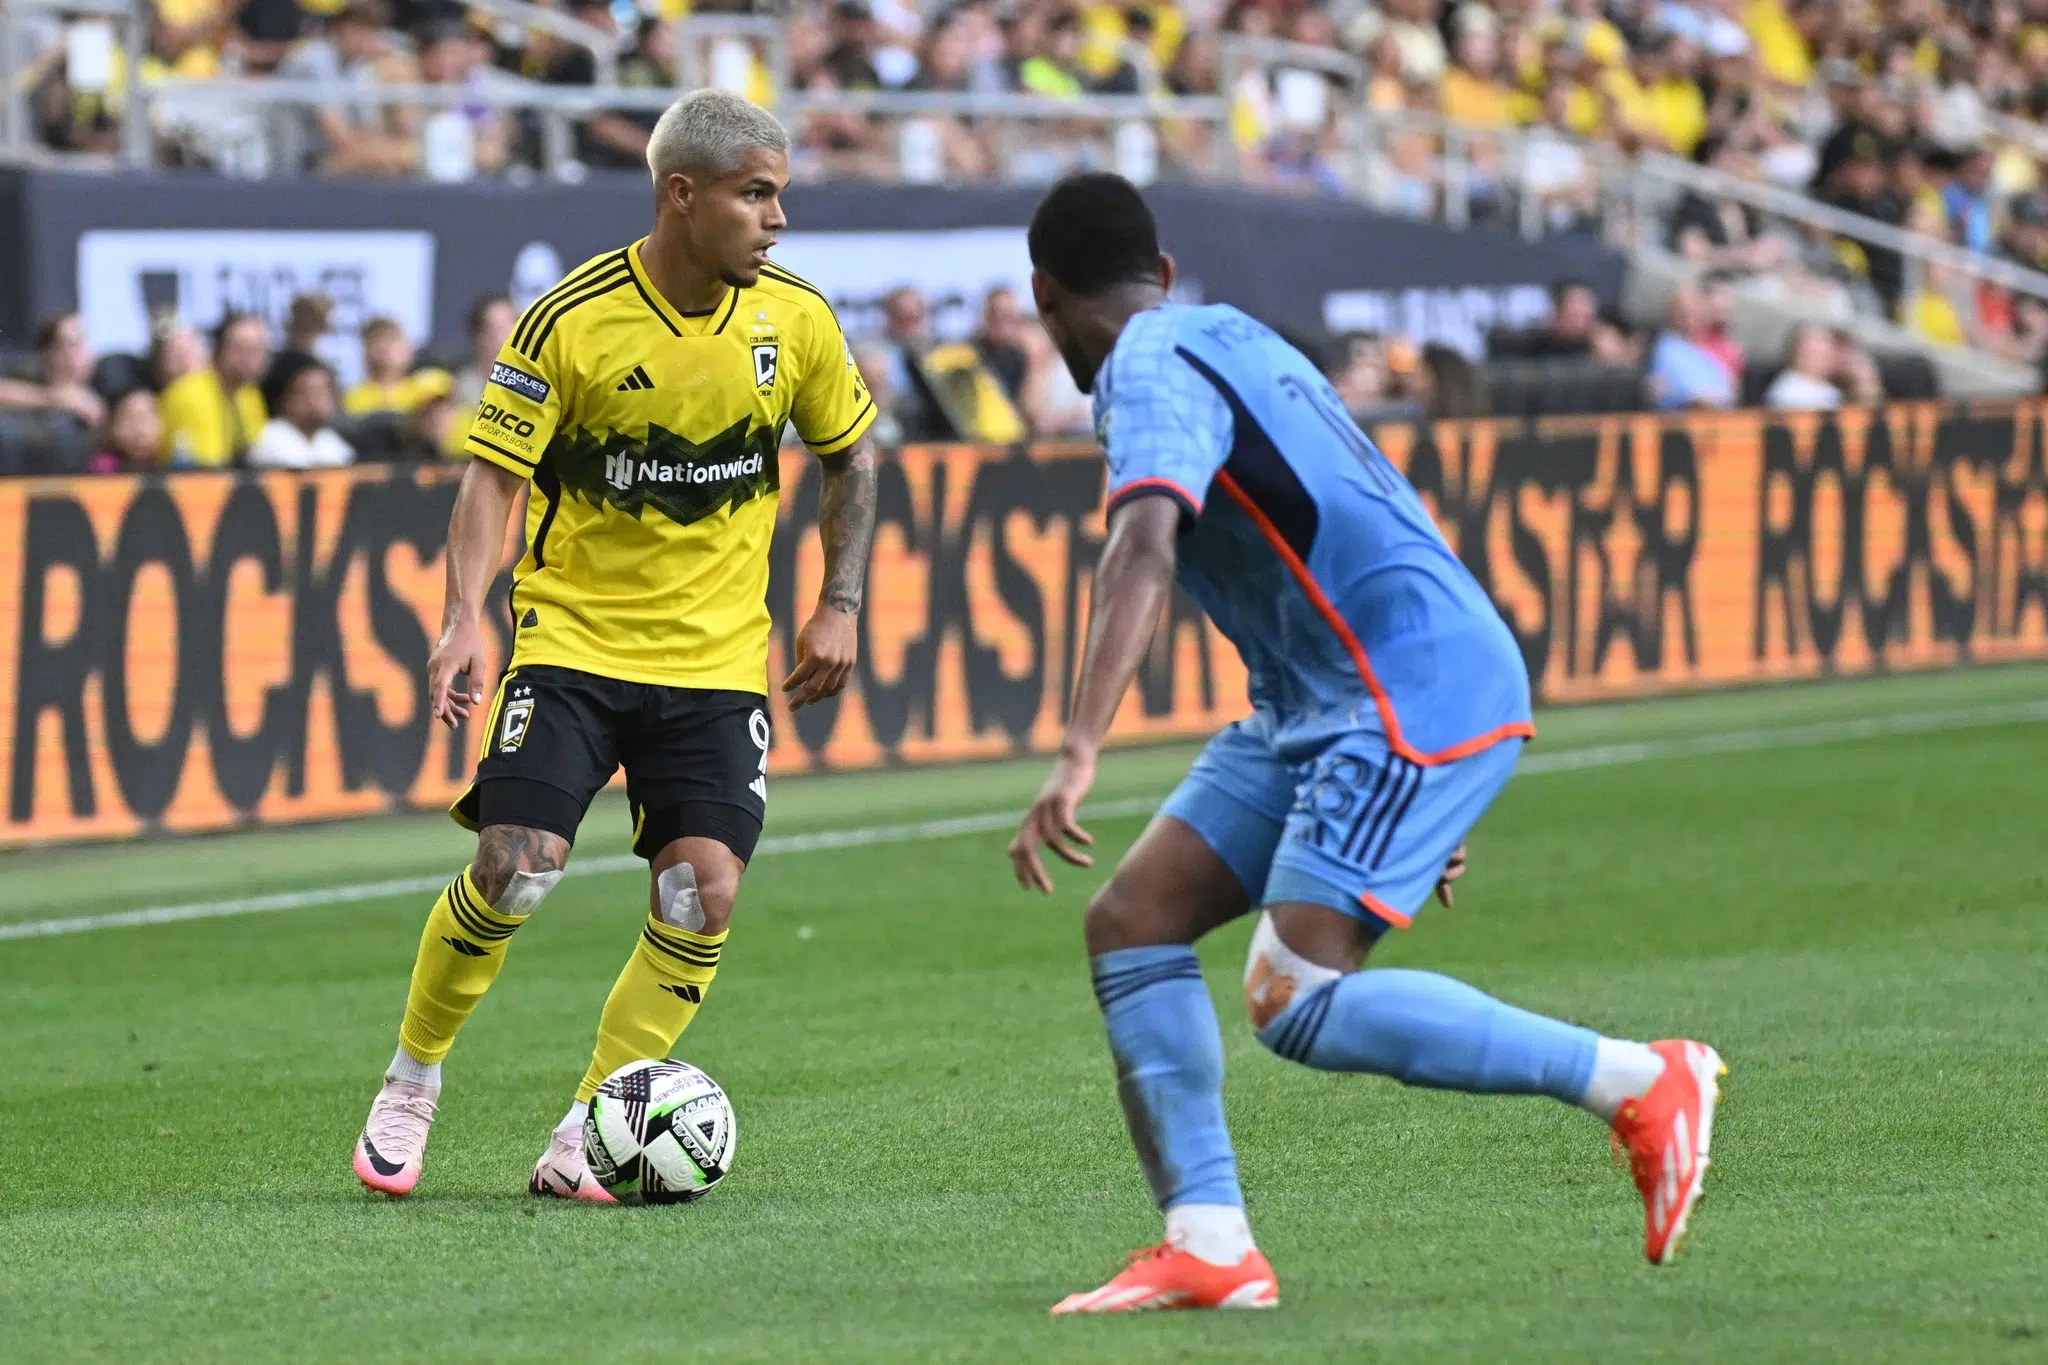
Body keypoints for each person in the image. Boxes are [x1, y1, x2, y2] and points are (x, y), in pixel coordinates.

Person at [1007, 173, 1723, 1314]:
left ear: (1040, 293)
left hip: (1393, 690)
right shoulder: (1231, 333)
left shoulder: (1142, 366)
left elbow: (1142, 544)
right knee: (1133, 921)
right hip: (1325, 695)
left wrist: (1078, 748)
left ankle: (1639, 1079)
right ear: (1166, 273)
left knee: (1295, 995)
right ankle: (1208, 1244)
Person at [352, 90, 880, 1204]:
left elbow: (852, 456)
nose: (777, 219)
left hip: (716, 660)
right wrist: (463, 616)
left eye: (779, 193)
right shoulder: (568, 321)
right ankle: (412, 1079)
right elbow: (492, 478)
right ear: (681, 196)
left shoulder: (800, 322)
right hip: (574, 644)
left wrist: (840, 597)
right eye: (756, 194)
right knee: (515, 866)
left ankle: (585, 1129)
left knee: (704, 896)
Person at [158, 311, 270, 467]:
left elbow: (258, 455)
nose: (249, 357)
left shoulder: (252, 396)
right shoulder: (188, 392)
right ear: (219, 350)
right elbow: (204, 467)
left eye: (258, 349)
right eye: (240, 348)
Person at [0, 311, 105, 429]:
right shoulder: (30, 375)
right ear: (49, 352)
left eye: (84, 340)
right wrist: (53, 398)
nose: (82, 350)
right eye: (71, 343)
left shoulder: (104, 381)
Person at [249, 353, 355, 468]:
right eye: (313, 391)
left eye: (327, 389)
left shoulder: (328, 439)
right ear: (283, 399)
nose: (323, 399)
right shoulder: (270, 437)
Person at [345, 316, 453, 416]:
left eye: (391, 339)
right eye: (375, 340)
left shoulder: (433, 387)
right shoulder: (352, 398)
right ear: (364, 351)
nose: (383, 347)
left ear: (408, 348)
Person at [1763, 324, 1843, 410]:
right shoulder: (1789, 391)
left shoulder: (1829, 388)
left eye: (1826, 354)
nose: (1821, 360)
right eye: (1814, 354)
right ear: (1796, 354)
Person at [89, 388, 163, 474]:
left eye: (145, 418)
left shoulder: (174, 461)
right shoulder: (102, 468)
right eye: (129, 419)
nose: (139, 429)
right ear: (113, 426)